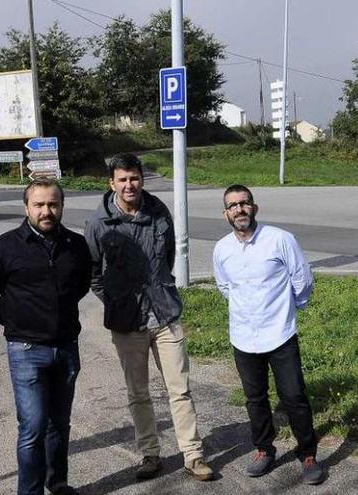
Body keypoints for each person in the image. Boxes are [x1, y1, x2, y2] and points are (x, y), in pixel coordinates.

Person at [83, 153, 214, 482]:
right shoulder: (99, 223)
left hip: (165, 315)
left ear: (142, 179)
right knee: (137, 392)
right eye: (123, 179)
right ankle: (150, 455)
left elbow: (166, 258)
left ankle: (193, 455)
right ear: (112, 183)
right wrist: (117, 301)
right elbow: (93, 274)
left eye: (134, 178)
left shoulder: (159, 213)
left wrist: (158, 290)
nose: (130, 185)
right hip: (128, 323)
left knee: (180, 389)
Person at [0, 178, 91, 495]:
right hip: (26, 350)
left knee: (60, 424)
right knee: (33, 428)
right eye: (39, 204)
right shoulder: (3, 248)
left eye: (53, 204)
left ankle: (58, 482)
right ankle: (30, 492)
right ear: (26, 207)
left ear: (62, 206)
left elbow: (78, 287)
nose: (46, 211)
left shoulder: (76, 246)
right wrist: (16, 321)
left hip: (66, 348)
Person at [212, 184, 324, 486]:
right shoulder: (222, 249)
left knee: (294, 396)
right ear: (226, 214)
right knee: (255, 398)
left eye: (244, 203)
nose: (239, 210)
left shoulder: (280, 240)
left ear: (254, 208)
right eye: (233, 206)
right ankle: (264, 450)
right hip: (243, 337)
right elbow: (225, 287)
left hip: (280, 334)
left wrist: (290, 308)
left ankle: (308, 454)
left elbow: (302, 279)